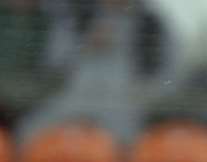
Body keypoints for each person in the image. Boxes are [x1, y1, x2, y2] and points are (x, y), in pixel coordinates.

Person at [17, 0, 173, 144]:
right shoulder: (81, 15)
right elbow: (53, 60)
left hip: (124, 102)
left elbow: (165, 76)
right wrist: (84, 45)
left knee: (132, 146)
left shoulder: (150, 24)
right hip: (74, 96)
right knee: (29, 133)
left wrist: (140, 95)